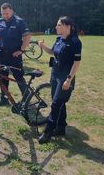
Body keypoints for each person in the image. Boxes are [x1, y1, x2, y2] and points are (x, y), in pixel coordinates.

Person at [38, 16, 82, 144]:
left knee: (56, 104)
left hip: (65, 77)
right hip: (55, 74)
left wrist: (69, 80)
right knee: (58, 102)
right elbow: (53, 52)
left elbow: (76, 63)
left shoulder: (75, 42)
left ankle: (48, 132)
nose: (56, 27)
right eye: (57, 25)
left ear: (68, 26)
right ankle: (61, 127)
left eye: (59, 25)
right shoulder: (58, 39)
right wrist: (43, 46)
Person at [0, 3, 31, 106]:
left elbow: (27, 36)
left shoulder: (19, 22)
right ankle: (4, 99)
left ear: (12, 11)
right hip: (3, 55)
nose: (5, 16)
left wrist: (21, 50)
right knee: (3, 77)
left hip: (15, 56)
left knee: (19, 77)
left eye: (7, 13)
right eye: (3, 14)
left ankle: (27, 99)